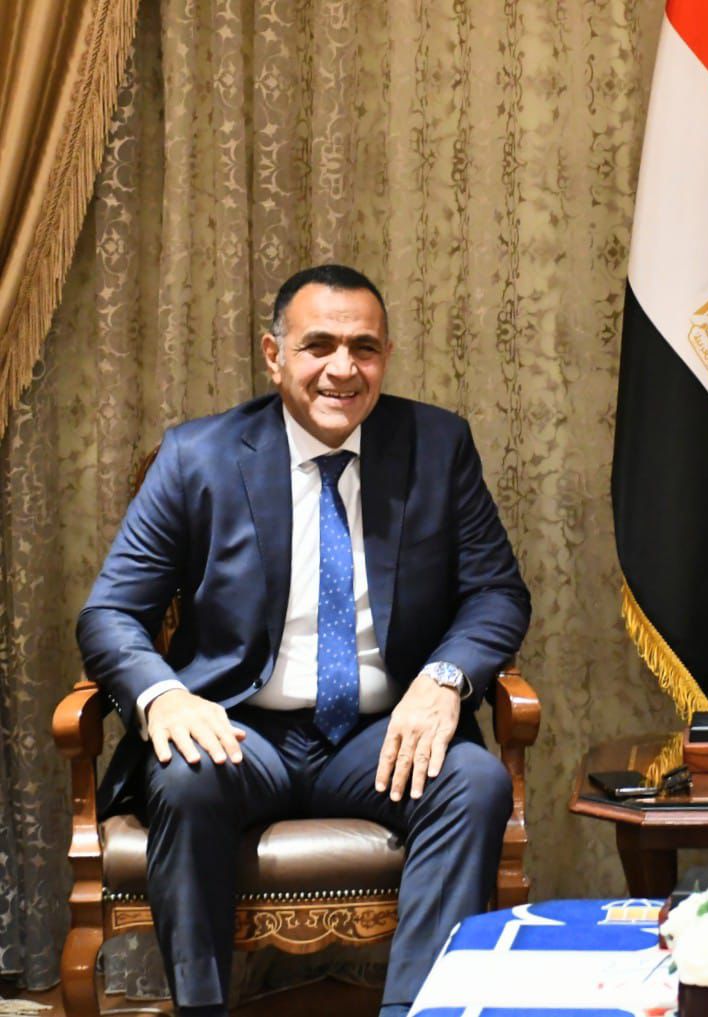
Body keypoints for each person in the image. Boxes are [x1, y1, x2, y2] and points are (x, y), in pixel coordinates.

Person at [77, 264, 532, 1017]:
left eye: (364, 347)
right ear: (274, 354)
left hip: (380, 736)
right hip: (241, 731)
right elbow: (109, 613)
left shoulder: (438, 445)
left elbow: (497, 592)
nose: (342, 369)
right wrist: (162, 696)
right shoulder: (198, 456)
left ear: (386, 355)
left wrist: (446, 678)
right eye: (318, 345)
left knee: (474, 781)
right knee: (186, 775)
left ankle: (419, 1011)